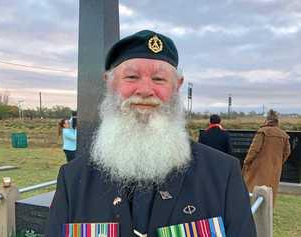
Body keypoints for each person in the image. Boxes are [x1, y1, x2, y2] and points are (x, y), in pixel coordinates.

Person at [46, 30, 256, 237]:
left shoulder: (222, 173)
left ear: (177, 86)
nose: (145, 90)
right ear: (109, 83)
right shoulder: (73, 179)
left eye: (158, 79)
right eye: (131, 76)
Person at [242, 109, 291, 203]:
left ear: (268, 120)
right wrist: (278, 162)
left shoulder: (263, 132)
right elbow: (287, 152)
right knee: (269, 195)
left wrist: (246, 162)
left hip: (258, 169)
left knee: (253, 193)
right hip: (275, 170)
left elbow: (253, 150)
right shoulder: (284, 135)